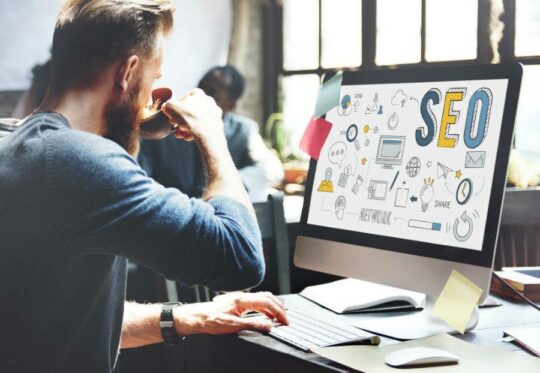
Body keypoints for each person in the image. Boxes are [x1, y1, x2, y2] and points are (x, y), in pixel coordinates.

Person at [0, 1, 287, 372]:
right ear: (128, 71)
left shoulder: (16, 142)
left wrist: (192, 317)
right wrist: (213, 135)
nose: (153, 93)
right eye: (154, 77)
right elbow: (241, 257)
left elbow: (62, 320)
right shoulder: (79, 160)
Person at [138, 65, 284, 201]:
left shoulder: (243, 130)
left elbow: (272, 169)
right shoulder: (164, 125)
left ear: (232, 105)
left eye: (213, 92)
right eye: (201, 86)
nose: (202, 94)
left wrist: (227, 185)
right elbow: (141, 174)